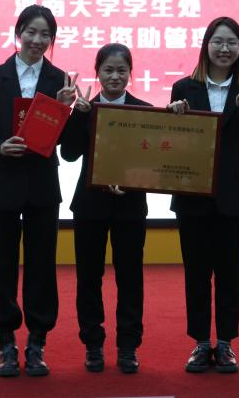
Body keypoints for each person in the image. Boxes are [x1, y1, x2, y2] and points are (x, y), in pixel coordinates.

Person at [0, 4, 78, 377]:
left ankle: (37, 343)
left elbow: (65, 142)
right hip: (0, 179)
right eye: (31, 31)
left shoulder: (61, 80)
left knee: (41, 264)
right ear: (18, 34)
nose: (37, 40)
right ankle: (5, 343)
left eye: (45, 34)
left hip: (41, 183)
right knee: (2, 264)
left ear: (52, 40)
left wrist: (66, 110)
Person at [166, 16, 239, 374]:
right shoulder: (183, 88)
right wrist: (173, 118)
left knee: (228, 272)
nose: (225, 49)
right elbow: (171, 143)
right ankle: (199, 342)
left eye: (232, 43)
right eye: (218, 42)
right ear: (206, 45)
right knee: (195, 272)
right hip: (192, 192)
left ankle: (225, 343)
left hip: (233, 193)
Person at [60, 43, 150, 374]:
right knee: (89, 278)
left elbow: (152, 162)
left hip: (130, 204)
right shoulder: (87, 108)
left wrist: (131, 181)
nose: (115, 76)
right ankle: (93, 344)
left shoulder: (145, 111)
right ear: (97, 72)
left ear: (130, 73)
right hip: (90, 206)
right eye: (108, 70)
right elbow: (69, 154)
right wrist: (77, 115)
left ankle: (128, 346)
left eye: (121, 70)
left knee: (130, 278)